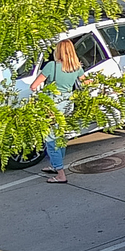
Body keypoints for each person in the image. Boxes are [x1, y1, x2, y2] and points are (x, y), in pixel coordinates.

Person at [32, 39, 86, 184]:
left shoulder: (51, 66)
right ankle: (56, 165)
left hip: (52, 106)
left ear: (58, 51)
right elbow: (87, 82)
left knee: (51, 139)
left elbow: (33, 86)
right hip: (68, 104)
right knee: (60, 136)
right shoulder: (76, 67)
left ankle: (61, 174)